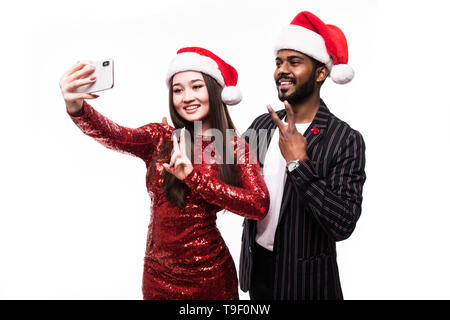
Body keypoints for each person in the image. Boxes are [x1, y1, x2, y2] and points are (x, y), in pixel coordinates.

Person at [59, 47, 269, 300]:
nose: (186, 97)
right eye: (178, 90)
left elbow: (258, 205)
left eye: (196, 86)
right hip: (157, 275)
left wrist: (193, 177)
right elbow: (114, 135)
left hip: (210, 277)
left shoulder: (234, 147)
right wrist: (76, 106)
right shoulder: (160, 137)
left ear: (214, 90)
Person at [239, 11, 366, 300]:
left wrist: (298, 163)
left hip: (306, 283)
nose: (282, 70)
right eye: (278, 62)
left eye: (294, 62)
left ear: (321, 73)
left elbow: (343, 223)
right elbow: (230, 178)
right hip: (258, 271)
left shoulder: (345, 139)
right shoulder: (261, 125)